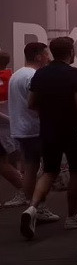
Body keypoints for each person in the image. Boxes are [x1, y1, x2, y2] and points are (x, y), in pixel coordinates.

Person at [20, 37, 77, 239]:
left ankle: (32, 208)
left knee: (49, 171)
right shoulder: (75, 74)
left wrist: (49, 112)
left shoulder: (41, 73)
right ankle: (72, 217)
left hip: (48, 129)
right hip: (73, 130)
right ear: (71, 52)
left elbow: (31, 103)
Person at [7, 43, 55, 215]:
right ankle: (38, 208)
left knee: (30, 168)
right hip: (34, 128)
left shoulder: (16, 75)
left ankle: (32, 207)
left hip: (21, 129)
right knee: (48, 170)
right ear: (38, 56)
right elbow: (37, 103)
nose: (49, 58)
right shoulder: (33, 76)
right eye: (46, 54)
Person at [0, 50, 25, 206]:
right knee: (10, 161)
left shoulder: (6, 79)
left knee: (2, 163)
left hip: (3, 127)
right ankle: (24, 190)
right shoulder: (12, 77)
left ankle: (26, 189)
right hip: (12, 126)